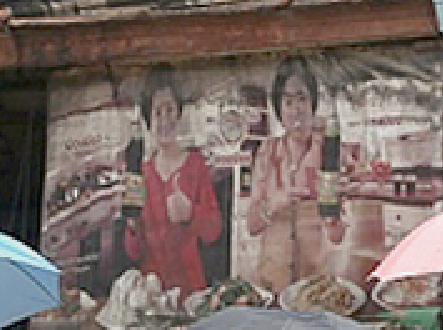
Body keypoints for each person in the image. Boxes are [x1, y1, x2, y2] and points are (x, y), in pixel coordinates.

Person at [126, 67, 223, 296]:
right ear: (148, 120)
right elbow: (133, 252)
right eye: (157, 112)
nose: (165, 120)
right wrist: (132, 224)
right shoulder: (141, 174)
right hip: (153, 295)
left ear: (179, 113)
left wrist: (190, 213)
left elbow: (214, 231)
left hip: (191, 289)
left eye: (170, 110)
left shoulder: (196, 164)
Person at [245, 57, 335, 294]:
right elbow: (252, 225)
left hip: (315, 287)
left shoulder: (328, 152)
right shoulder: (267, 151)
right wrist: (274, 203)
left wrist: (337, 219)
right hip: (272, 283)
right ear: (279, 109)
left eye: (302, 98)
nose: (296, 109)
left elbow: (337, 235)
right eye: (288, 101)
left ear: (313, 103)